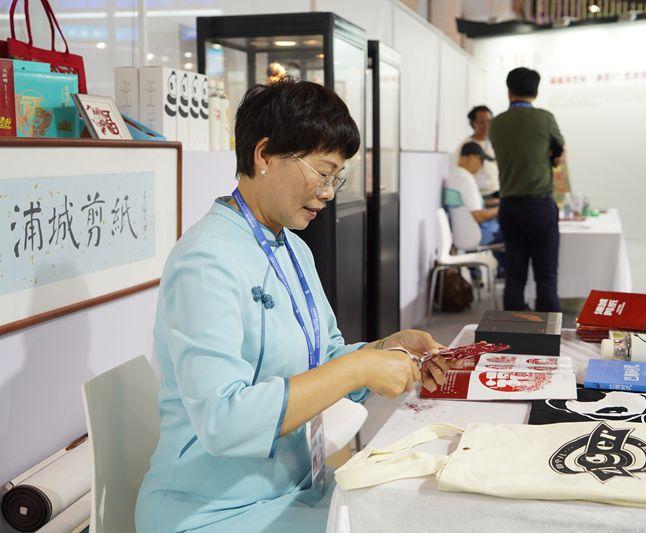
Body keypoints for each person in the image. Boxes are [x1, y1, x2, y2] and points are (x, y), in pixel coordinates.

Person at [135, 78, 449, 533]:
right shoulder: (205, 260)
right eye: (322, 173)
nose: (329, 192)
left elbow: (327, 359)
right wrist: (359, 368)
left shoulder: (292, 247)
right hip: (211, 510)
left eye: (337, 177)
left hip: (294, 488)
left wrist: (385, 349)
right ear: (264, 155)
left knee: (418, 509)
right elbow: (223, 421)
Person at [489, 67, 565, 312]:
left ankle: (513, 330)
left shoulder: (496, 123)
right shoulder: (545, 118)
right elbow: (559, 152)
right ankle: (548, 330)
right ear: (536, 91)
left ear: (509, 91)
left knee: (514, 276)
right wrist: (549, 156)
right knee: (546, 277)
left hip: (509, 207)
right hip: (539, 206)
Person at [445, 142, 502, 251]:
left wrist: (498, 202)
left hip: (462, 234)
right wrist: (504, 209)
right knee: (515, 231)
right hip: (479, 235)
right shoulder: (466, 179)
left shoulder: (454, 175)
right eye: (481, 161)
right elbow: (479, 216)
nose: (481, 166)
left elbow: (469, 205)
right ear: (472, 157)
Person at [459, 105, 500, 199]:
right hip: (476, 194)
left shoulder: (497, 143)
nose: (486, 125)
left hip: (496, 192)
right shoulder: (466, 145)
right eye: (482, 122)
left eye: (489, 121)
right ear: (473, 123)